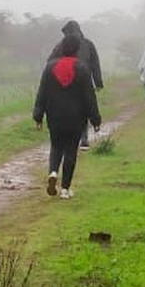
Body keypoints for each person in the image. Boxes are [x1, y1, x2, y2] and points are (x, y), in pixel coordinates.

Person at [33, 34, 101, 200]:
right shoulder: (82, 68)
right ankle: (65, 189)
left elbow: (42, 93)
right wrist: (95, 119)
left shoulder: (49, 68)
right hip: (76, 118)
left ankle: (53, 172)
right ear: (77, 49)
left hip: (54, 116)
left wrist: (38, 115)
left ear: (62, 48)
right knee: (71, 150)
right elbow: (89, 96)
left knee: (56, 146)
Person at [50, 20, 103, 148]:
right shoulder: (89, 44)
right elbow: (95, 64)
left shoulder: (61, 46)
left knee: (70, 109)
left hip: (65, 83)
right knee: (84, 109)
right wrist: (98, 82)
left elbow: (50, 63)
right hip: (83, 82)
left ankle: (74, 137)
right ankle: (83, 138)